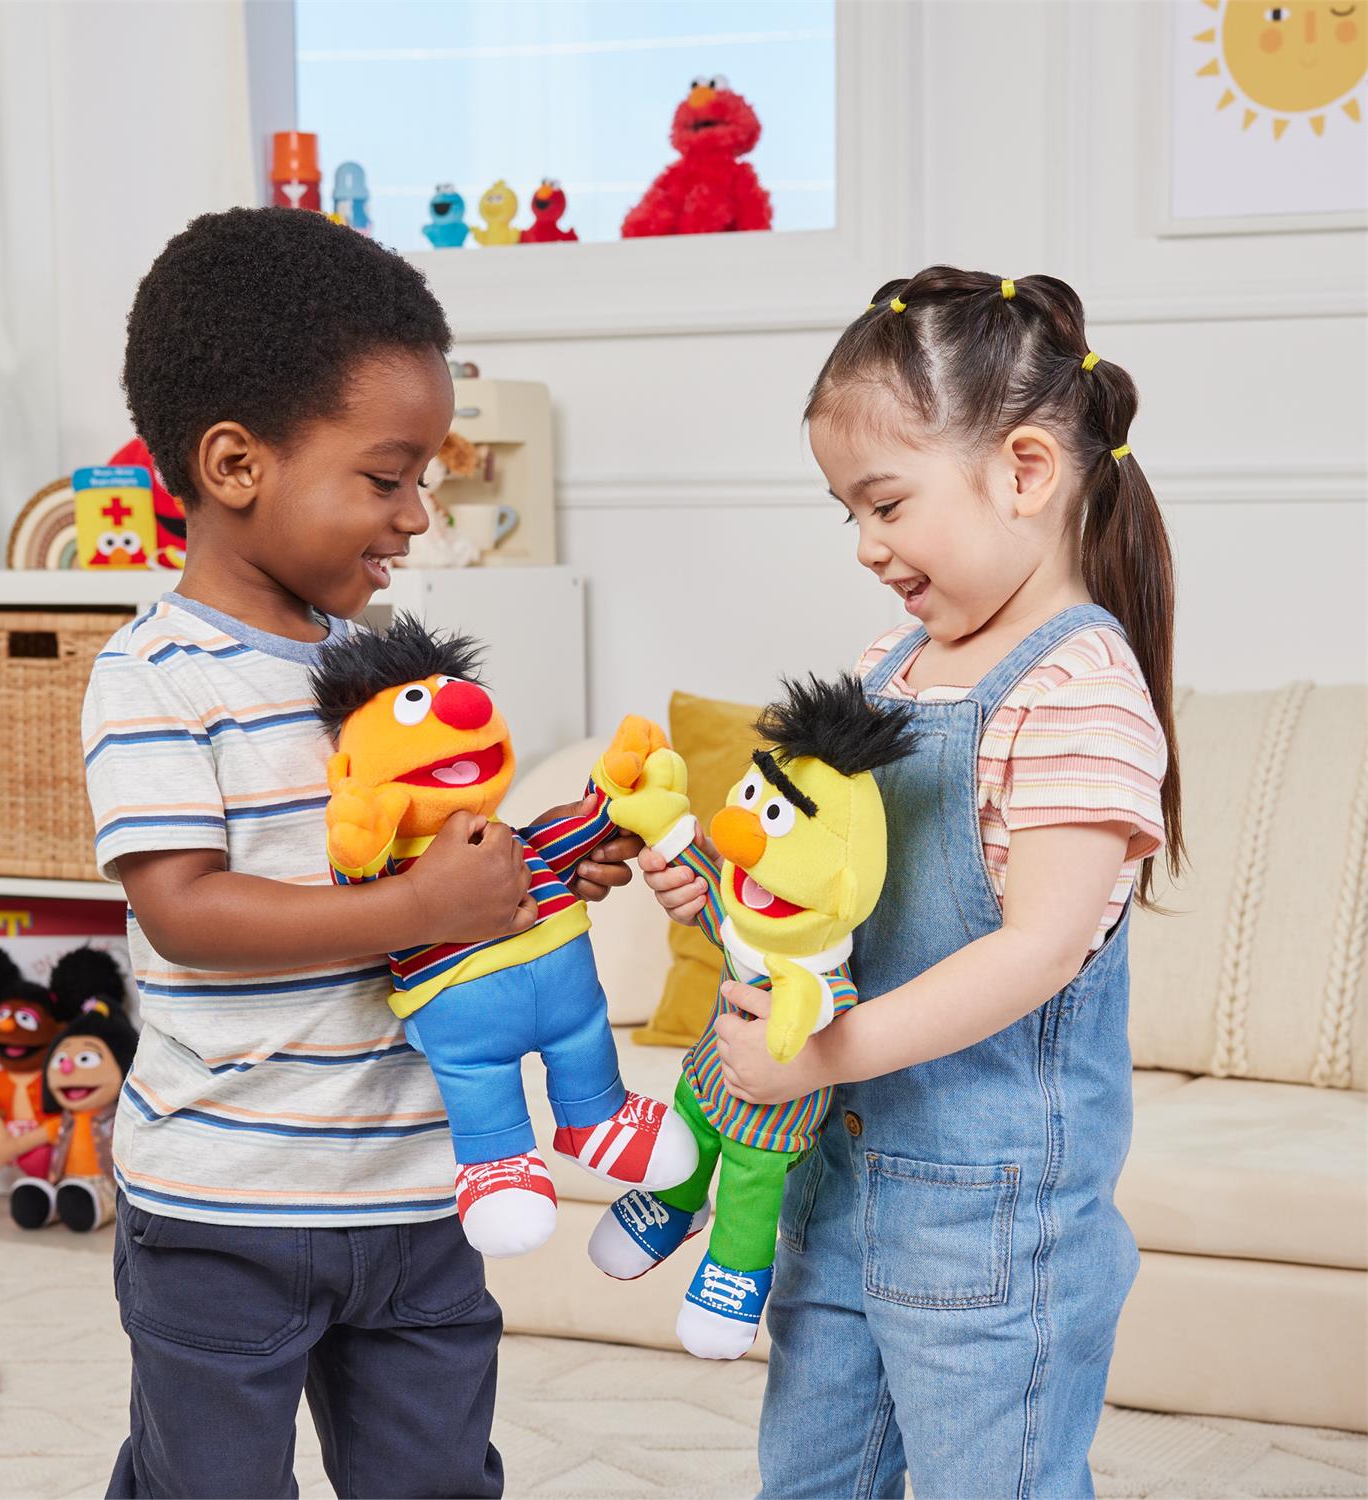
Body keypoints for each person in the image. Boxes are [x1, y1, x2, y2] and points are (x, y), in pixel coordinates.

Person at [84, 206, 641, 1499]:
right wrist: (421, 906)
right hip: (224, 1208)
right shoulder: (155, 677)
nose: (417, 516)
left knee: (436, 1480)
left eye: (424, 479)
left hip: (417, 1187)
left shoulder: (384, 675)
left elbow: (434, 863)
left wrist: (533, 874)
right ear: (236, 465)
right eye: (387, 479)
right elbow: (185, 911)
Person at [642, 268, 1180, 1497]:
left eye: (886, 503)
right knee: (811, 1475)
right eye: (848, 513)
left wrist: (822, 1055)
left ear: (1026, 470)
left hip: (990, 1220)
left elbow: (1038, 949)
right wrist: (722, 894)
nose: (868, 546)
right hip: (837, 1183)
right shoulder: (888, 666)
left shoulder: (1080, 691)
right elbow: (832, 891)